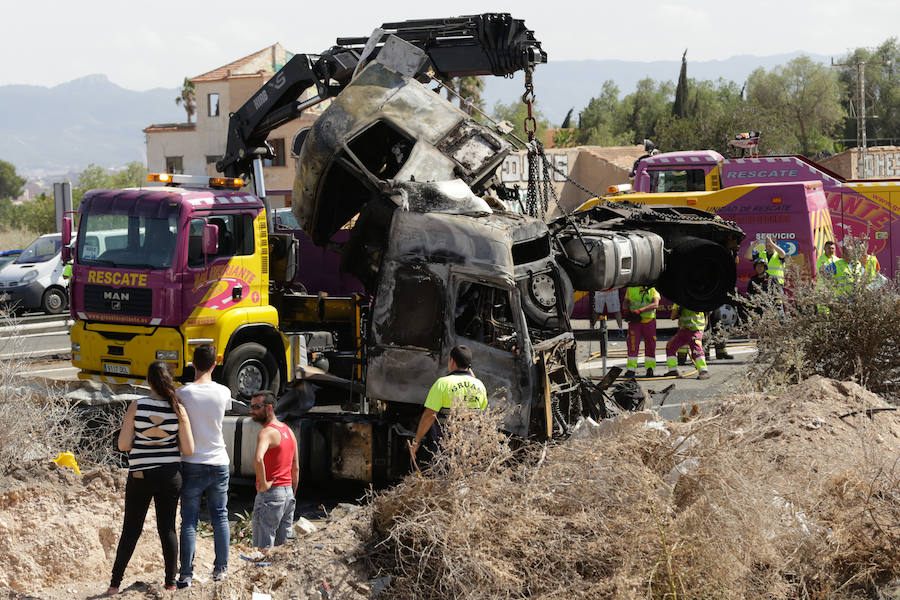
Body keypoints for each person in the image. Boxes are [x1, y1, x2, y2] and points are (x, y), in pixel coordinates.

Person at [106, 362, 194, 596]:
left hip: (140, 475)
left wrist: (143, 441)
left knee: (131, 529)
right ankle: (170, 582)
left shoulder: (138, 405)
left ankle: (115, 584)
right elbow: (189, 449)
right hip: (169, 475)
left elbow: (123, 445)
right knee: (167, 529)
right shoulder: (178, 408)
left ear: (148, 381)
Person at [176, 344, 232, 588]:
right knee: (220, 516)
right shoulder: (224, 392)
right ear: (215, 364)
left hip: (191, 462)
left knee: (189, 520)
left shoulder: (182, 393)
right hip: (219, 461)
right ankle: (220, 570)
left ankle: (186, 574)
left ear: (192, 363)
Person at [409, 344, 487, 461]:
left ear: (452, 361)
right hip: (469, 449)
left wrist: (416, 442)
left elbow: (429, 415)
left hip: (444, 449)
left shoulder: (443, 384)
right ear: (469, 365)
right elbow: (482, 414)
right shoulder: (479, 386)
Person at [249, 390, 299, 551]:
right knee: (281, 552)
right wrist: (291, 494)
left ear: (269, 408)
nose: (252, 411)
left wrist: (263, 483)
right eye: (251, 407)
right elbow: (296, 467)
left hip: (271, 495)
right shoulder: (288, 431)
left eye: (256, 407)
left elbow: (258, 458)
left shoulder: (266, 433)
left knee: (262, 550)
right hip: (287, 494)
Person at [623, 285, 660, 378]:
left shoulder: (652, 289)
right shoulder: (631, 288)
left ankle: (650, 368)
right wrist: (626, 311)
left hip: (648, 321)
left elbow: (655, 304)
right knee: (632, 345)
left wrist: (640, 310)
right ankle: (631, 370)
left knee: (650, 345)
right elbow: (625, 303)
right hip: (635, 321)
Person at [665, 305, 709, 380]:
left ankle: (703, 371)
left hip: (696, 329)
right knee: (670, 346)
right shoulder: (677, 302)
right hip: (684, 330)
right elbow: (672, 317)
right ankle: (673, 370)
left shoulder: (694, 298)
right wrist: (679, 309)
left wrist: (686, 304)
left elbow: (697, 310)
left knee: (696, 350)